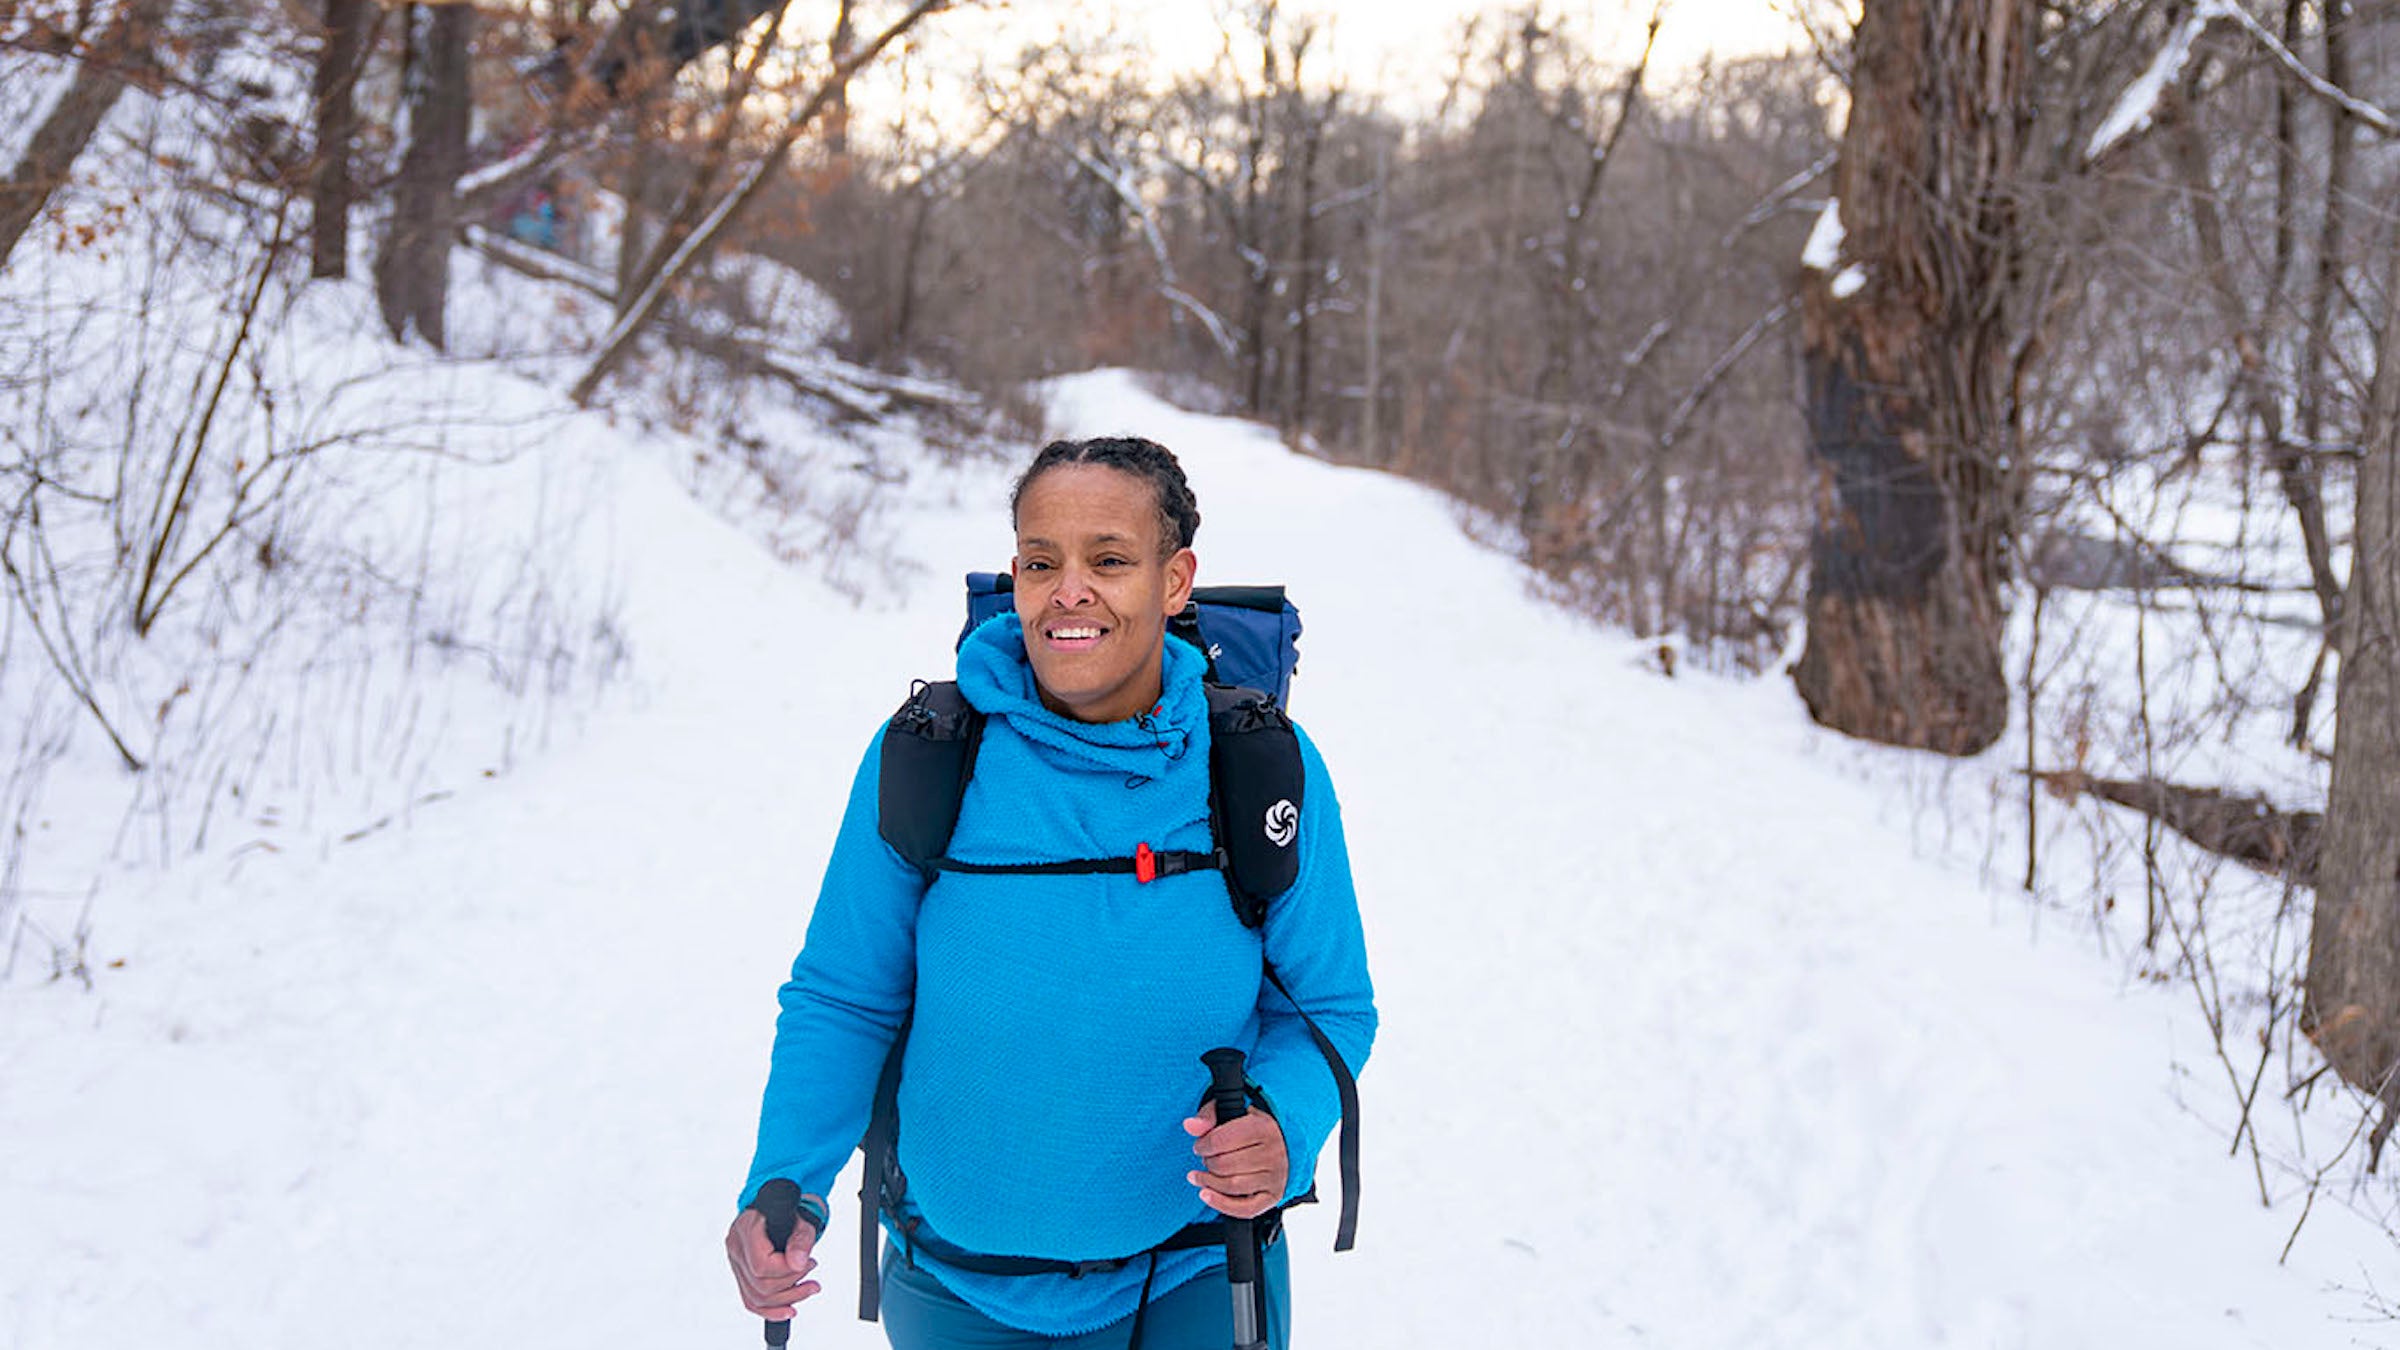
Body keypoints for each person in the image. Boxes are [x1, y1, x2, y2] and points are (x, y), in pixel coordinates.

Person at [724, 435, 1377, 1349]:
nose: (1069, 590)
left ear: (1175, 580)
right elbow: (846, 995)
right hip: (959, 1295)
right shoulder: (929, 754)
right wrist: (783, 1182)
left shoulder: (1262, 769)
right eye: (1041, 561)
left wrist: (1283, 1121)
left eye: (1109, 560)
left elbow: (1329, 1007)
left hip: (1198, 1274)